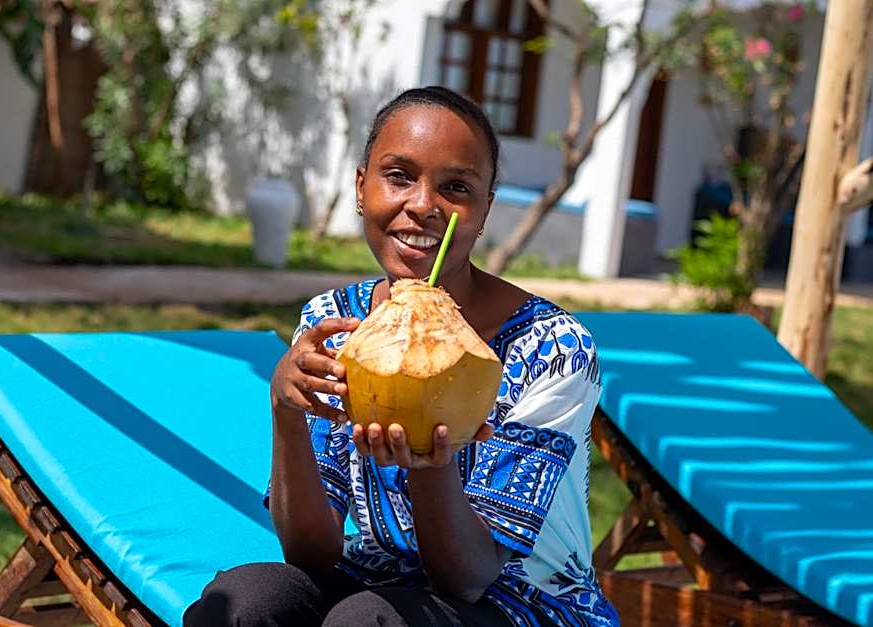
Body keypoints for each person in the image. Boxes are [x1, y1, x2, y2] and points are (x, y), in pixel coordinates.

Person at [183, 86, 619, 627]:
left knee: (367, 621)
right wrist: (286, 410)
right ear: (361, 187)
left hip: (525, 602)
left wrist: (429, 463)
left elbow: (469, 577)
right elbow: (310, 554)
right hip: (380, 578)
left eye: (455, 187)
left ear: (484, 210)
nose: (423, 205)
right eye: (399, 176)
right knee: (247, 601)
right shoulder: (334, 321)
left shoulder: (552, 349)